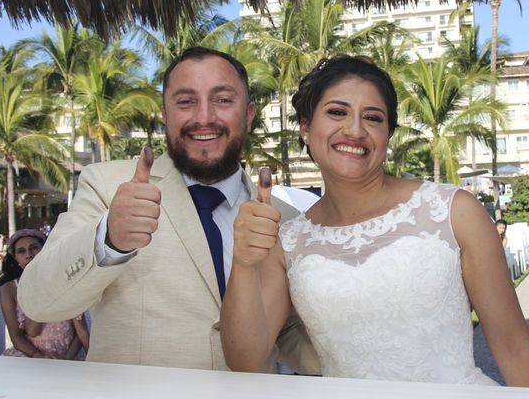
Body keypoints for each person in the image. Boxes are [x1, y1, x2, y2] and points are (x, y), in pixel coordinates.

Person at [221, 55, 529, 395]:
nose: (355, 130)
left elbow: (513, 345)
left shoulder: (454, 212)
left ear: (388, 134)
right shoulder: (289, 239)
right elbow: (247, 359)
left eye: (373, 117)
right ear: (306, 128)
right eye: (337, 112)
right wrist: (245, 264)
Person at [18, 47, 319, 372]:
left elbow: (285, 333)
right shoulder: (108, 186)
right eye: (186, 101)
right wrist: (109, 239)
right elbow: (38, 302)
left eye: (222, 100)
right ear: (165, 114)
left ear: (248, 114)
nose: (204, 117)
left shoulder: (284, 218)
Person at [0, 229, 88, 359]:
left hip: (68, 356)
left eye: (34, 247)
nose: (29, 255)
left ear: (45, 250)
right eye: (21, 251)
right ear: (15, 258)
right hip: (31, 356)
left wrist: (66, 359)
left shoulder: (65, 280)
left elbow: (81, 332)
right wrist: (39, 356)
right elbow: (23, 334)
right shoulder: (9, 289)